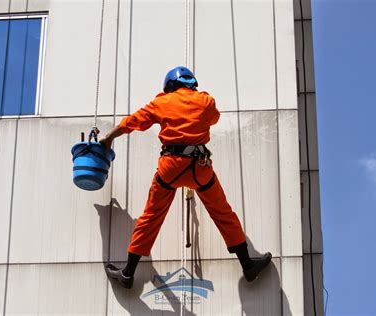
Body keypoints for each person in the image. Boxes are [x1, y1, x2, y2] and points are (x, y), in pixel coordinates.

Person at [100, 66, 272, 289]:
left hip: (170, 168)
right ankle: (247, 265)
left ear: (170, 85)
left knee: (150, 217)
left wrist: (108, 138)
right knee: (223, 213)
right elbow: (214, 119)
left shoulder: (161, 102)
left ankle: (128, 273)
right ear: (192, 82)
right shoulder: (206, 100)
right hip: (200, 168)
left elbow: (132, 122)